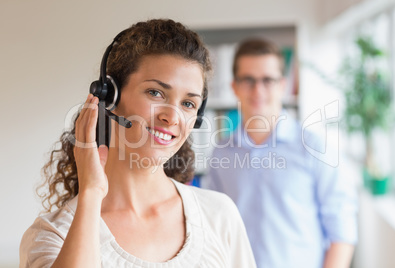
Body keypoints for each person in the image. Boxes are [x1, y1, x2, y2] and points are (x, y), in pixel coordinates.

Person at [20, 19, 256, 268]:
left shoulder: (219, 215)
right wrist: (91, 193)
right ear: (110, 96)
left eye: (188, 104)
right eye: (156, 93)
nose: (172, 117)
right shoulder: (54, 235)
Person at [202, 39, 358, 268]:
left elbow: (342, 233)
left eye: (268, 80)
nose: (258, 90)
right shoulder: (221, 153)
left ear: (283, 85)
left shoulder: (315, 149)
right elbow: (212, 224)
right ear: (234, 86)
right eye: (248, 80)